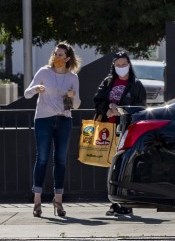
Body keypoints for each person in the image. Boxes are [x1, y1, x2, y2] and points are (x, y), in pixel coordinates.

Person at [23, 42, 81, 218]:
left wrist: (73, 96)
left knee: (61, 159)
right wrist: (36, 88)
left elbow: (77, 105)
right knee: (42, 158)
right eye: (55, 54)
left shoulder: (72, 77)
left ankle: (58, 200)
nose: (56, 57)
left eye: (60, 55)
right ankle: (37, 201)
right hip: (43, 120)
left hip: (64, 120)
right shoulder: (44, 72)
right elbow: (26, 93)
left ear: (67, 58)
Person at [93, 51, 147, 216]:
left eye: (124, 65)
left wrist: (120, 111)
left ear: (129, 65)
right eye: (118, 65)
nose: (121, 68)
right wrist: (108, 109)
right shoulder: (108, 82)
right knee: (111, 166)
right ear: (114, 66)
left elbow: (140, 108)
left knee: (123, 166)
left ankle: (124, 203)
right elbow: (98, 100)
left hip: (126, 130)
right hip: (108, 130)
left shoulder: (136, 85)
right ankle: (114, 202)